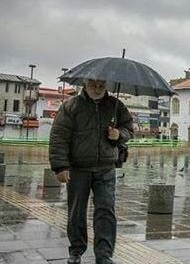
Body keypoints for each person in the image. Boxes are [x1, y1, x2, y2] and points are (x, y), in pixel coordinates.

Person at [49, 79, 133, 264]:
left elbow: (129, 128)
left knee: (106, 211)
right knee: (77, 211)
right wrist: (60, 166)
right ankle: (76, 250)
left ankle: (104, 255)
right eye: (93, 85)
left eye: (101, 86)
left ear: (106, 86)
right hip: (78, 168)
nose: (97, 89)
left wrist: (119, 135)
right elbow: (58, 137)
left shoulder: (115, 105)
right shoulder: (71, 106)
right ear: (85, 85)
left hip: (106, 168)